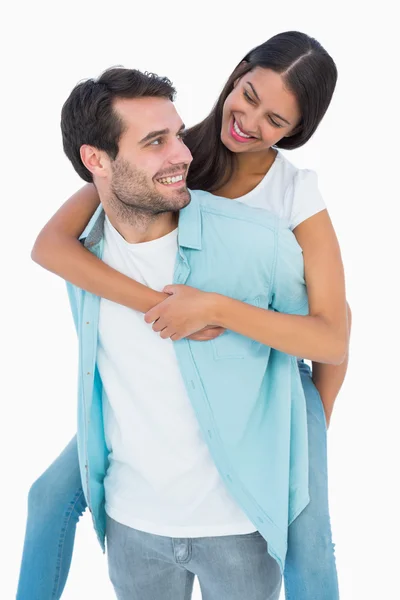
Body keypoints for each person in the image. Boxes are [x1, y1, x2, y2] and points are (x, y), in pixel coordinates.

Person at [17, 32, 350, 600]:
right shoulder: (171, 154)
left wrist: (310, 419)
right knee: (49, 497)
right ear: (237, 73)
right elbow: (51, 246)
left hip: (277, 387)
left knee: (308, 540)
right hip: (167, 392)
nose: (248, 122)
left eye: (275, 121)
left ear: (295, 132)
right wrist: (159, 308)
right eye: (247, 95)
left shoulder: (294, 195)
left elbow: (333, 331)